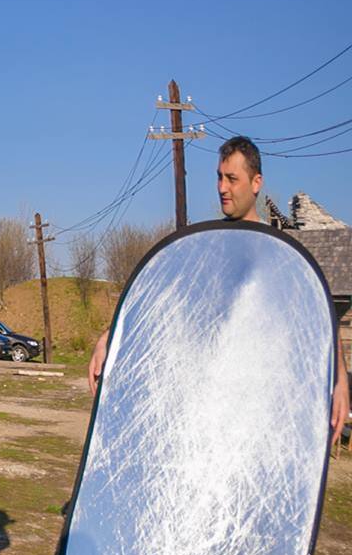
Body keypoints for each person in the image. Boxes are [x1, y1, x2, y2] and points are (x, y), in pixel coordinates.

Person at [87, 134, 348, 435]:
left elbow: (322, 318)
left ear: (256, 182)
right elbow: (154, 300)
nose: (222, 188)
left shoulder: (282, 255)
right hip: (207, 409)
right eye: (219, 177)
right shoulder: (202, 249)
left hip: (259, 412)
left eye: (232, 179)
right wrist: (108, 338)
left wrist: (340, 382)